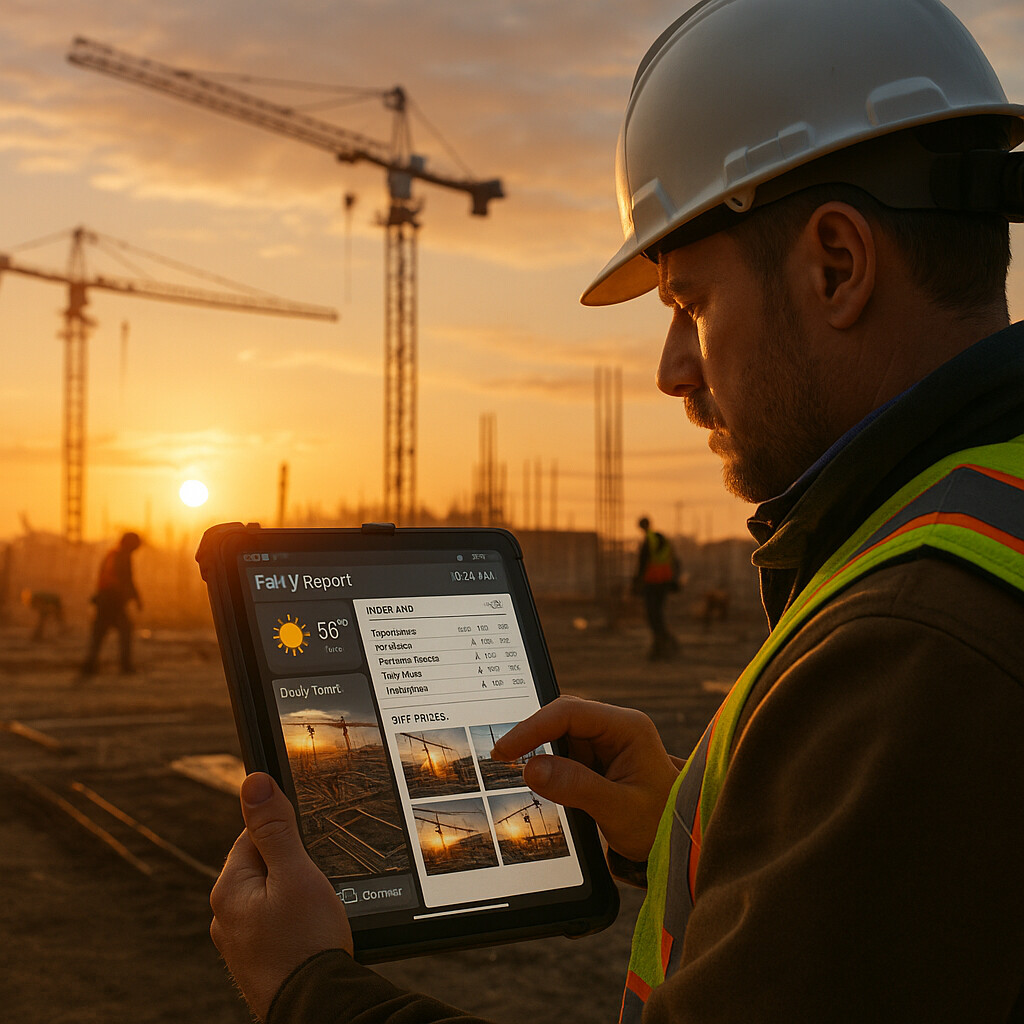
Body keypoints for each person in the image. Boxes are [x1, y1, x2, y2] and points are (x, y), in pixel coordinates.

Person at [209, 0, 1024, 1020]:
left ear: (836, 265)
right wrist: (693, 818)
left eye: (689, 306)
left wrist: (306, 988)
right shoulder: (981, 523)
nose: (671, 372)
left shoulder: (915, 644)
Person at [81, 531, 143, 676]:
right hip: (113, 600)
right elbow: (127, 580)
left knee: (99, 634)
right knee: (125, 630)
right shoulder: (123, 557)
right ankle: (125, 666)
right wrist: (137, 599)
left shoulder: (112, 554)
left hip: (105, 599)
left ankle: (89, 666)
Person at [633, 516, 680, 659]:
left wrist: (636, 584)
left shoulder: (649, 541)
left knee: (653, 615)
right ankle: (665, 644)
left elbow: (642, 564)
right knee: (658, 614)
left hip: (652, 582)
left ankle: (662, 645)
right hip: (664, 581)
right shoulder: (662, 538)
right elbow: (674, 560)